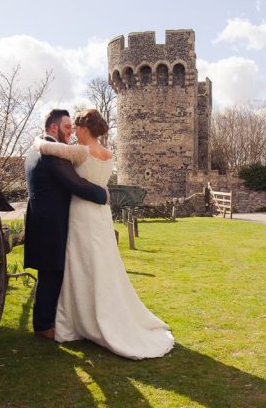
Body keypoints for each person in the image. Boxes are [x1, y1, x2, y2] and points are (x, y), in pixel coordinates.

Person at [36, 108, 173, 360]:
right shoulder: (109, 154)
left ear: (84, 128)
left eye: (76, 127)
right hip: (100, 215)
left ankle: (80, 320)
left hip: (80, 213)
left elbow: (48, 149)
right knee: (102, 263)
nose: (73, 132)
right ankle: (103, 313)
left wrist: (38, 139)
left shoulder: (80, 152)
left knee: (80, 264)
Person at [24, 109, 109, 340]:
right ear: (54, 128)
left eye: (73, 127)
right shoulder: (50, 154)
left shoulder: (37, 148)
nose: (71, 132)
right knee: (52, 273)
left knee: (50, 273)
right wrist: (103, 195)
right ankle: (43, 326)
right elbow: (75, 183)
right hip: (52, 223)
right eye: (67, 127)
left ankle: (48, 320)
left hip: (42, 220)